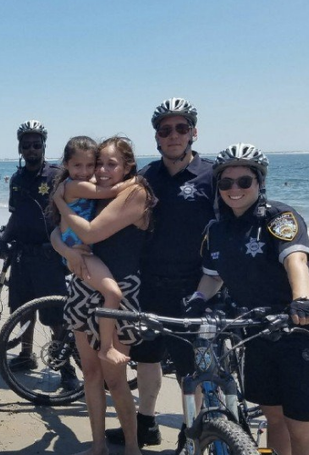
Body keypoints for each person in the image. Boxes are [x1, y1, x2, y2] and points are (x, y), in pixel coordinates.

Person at [188, 143, 309, 455]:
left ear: (259, 183)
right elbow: (213, 275)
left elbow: (295, 260)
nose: (234, 189)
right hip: (258, 330)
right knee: (273, 417)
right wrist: (200, 297)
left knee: (299, 425)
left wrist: (301, 301)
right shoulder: (216, 229)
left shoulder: (278, 217)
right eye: (226, 183)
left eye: (244, 181)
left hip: (302, 329)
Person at [105, 98, 215, 451]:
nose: (173, 136)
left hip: (193, 286)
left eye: (181, 128)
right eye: (165, 130)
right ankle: (147, 423)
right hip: (149, 283)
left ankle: (192, 429)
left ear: (193, 133)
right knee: (146, 358)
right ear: (156, 137)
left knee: (189, 368)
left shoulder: (211, 175)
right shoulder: (145, 177)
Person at [51, 136, 155, 455]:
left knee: (115, 379)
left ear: (128, 166)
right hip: (85, 286)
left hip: (120, 291)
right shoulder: (90, 189)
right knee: (91, 374)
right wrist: (67, 251)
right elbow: (57, 233)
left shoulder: (136, 191)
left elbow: (92, 232)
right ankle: (98, 447)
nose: (103, 170)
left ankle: (133, 447)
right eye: (100, 163)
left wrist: (60, 203)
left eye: (112, 164)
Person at [0, 120, 78, 390]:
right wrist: (4, 239)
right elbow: (16, 214)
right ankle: (25, 355)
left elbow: (71, 214)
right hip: (21, 254)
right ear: (19, 148)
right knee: (22, 310)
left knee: (55, 315)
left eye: (36, 144)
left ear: (43, 145)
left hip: (48, 256)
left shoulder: (57, 175)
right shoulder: (17, 179)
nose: (31, 149)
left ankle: (65, 367)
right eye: (26, 145)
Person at [52, 136, 131, 366]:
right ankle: (106, 347)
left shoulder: (77, 183)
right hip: (80, 250)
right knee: (113, 294)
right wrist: (134, 181)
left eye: (90, 165)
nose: (85, 171)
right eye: (78, 165)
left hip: (77, 247)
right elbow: (108, 192)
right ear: (66, 164)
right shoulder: (75, 185)